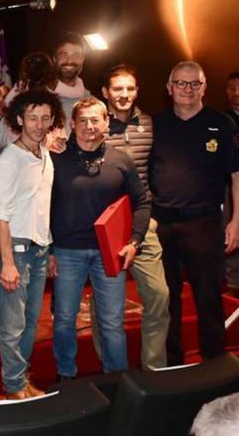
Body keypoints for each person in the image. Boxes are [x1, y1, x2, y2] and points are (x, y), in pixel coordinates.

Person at [50, 98, 150, 381]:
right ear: (72, 124)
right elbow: (41, 206)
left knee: (112, 324)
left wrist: (135, 241)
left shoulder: (121, 160)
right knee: (65, 320)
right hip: (67, 251)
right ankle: (65, 376)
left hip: (110, 253)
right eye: (82, 120)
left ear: (107, 122)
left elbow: (141, 201)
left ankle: (117, 380)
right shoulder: (55, 158)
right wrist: (47, 250)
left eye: (96, 120)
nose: (89, 126)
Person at [149, 61, 239, 365]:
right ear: (169, 87)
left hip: (205, 222)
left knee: (208, 297)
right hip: (162, 222)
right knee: (166, 298)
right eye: (181, 83)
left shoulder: (223, 124)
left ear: (203, 87)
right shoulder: (155, 124)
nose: (187, 90)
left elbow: (237, 176)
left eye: (194, 84)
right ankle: (173, 363)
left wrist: (237, 221)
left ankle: (215, 363)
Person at [94, 63, 170, 371]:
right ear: (105, 93)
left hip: (141, 221)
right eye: (117, 89)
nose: (124, 94)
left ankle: (154, 369)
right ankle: (109, 369)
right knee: (106, 306)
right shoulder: (95, 125)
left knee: (159, 296)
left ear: (137, 91)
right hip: (105, 224)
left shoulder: (150, 124)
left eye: (129, 88)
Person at [0, 89, 63, 399]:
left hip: (40, 249)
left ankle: (22, 378)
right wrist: (7, 263)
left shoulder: (45, 154)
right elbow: (2, 217)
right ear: (19, 119)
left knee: (31, 322)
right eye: (32, 117)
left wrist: (48, 248)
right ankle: (13, 385)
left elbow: (43, 206)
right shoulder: (10, 159)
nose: (38, 124)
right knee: (12, 326)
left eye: (45, 118)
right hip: (17, 251)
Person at [51, 33, 92, 137]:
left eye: (76, 56)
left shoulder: (93, 103)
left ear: (83, 60)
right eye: (64, 55)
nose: (70, 61)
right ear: (54, 60)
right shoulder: (34, 97)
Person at [224, 71, 239, 298]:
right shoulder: (220, 121)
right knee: (232, 236)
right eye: (231, 89)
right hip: (230, 186)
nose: (236, 94)